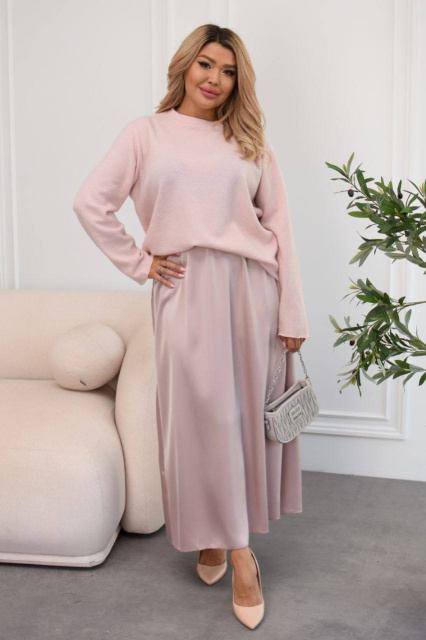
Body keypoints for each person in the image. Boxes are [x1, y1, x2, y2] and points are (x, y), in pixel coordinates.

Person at [73, 23, 310, 630]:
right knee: (200, 423)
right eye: (206, 64)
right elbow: (90, 202)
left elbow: (279, 227)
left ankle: (233, 547)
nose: (215, 79)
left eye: (228, 71)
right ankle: (228, 542)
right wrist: (141, 263)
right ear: (184, 65)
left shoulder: (249, 140)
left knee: (239, 423)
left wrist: (291, 311)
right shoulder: (145, 135)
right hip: (183, 290)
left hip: (253, 292)